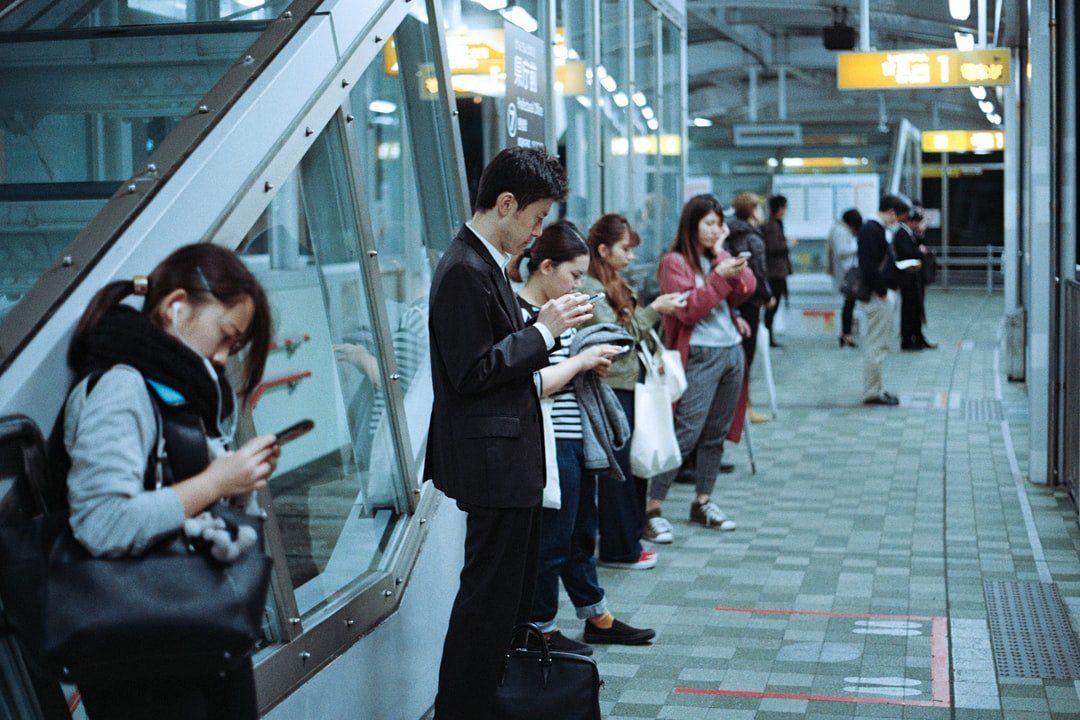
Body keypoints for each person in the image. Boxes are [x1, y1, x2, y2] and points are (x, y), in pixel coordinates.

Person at [63, 243, 277, 720]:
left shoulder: (173, 389)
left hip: (187, 638)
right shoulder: (121, 388)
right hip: (144, 658)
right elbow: (103, 522)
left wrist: (236, 482)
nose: (222, 358)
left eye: (233, 348)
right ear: (176, 306)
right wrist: (217, 482)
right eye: (225, 336)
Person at [426, 147, 592, 720]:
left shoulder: (481, 264)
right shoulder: (464, 269)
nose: (538, 231)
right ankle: (462, 710)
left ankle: (484, 706)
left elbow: (494, 353)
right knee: (485, 608)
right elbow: (471, 371)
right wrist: (542, 331)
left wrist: (543, 327)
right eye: (536, 217)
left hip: (508, 463)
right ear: (505, 204)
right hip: (493, 466)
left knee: (503, 607)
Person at [512, 220, 656, 655]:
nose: (579, 283)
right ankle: (542, 629)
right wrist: (581, 363)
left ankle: (596, 614)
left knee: (580, 534)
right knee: (553, 540)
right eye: (574, 274)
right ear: (546, 266)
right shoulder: (522, 315)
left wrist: (590, 362)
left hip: (575, 437)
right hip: (549, 441)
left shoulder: (560, 311)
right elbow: (530, 383)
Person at [645, 194, 756, 542]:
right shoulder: (674, 262)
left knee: (716, 433)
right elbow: (688, 310)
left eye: (718, 223)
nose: (715, 230)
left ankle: (703, 501)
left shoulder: (716, 257)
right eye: (708, 223)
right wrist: (718, 278)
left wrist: (722, 258)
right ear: (692, 225)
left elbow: (747, 289)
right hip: (700, 355)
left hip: (731, 353)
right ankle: (650, 507)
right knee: (686, 432)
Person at [581, 213, 686, 570]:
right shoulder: (590, 287)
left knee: (633, 465)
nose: (630, 256)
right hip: (612, 386)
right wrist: (655, 310)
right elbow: (615, 336)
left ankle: (627, 541)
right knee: (619, 471)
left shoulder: (611, 282)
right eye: (625, 249)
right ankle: (619, 547)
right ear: (603, 249)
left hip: (629, 382)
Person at [724, 192, 773, 424]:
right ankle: (744, 407)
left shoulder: (731, 233)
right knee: (746, 356)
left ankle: (739, 407)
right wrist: (767, 295)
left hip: (734, 299)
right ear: (753, 210)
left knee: (739, 355)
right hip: (751, 300)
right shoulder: (752, 237)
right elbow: (759, 271)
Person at [858, 193, 910, 406]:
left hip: (879, 293)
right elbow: (869, 266)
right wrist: (882, 291)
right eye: (896, 217)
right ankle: (872, 391)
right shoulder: (872, 230)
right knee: (877, 345)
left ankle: (876, 388)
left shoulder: (874, 229)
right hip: (878, 295)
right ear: (890, 212)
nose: (896, 222)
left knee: (878, 344)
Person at [893, 205, 936, 350]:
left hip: (914, 277)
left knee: (916, 308)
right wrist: (919, 253)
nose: (918, 225)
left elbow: (918, 246)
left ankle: (917, 337)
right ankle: (907, 339)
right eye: (916, 222)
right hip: (907, 277)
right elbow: (906, 252)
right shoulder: (901, 234)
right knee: (909, 309)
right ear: (910, 221)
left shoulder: (910, 233)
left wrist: (920, 238)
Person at [828, 208, 863, 348]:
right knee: (849, 304)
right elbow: (842, 251)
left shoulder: (839, 229)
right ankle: (846, 334)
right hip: (846, 273)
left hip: (846, 272)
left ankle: (846, 334)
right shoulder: (840, 231)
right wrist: (857, 248)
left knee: (849, 304)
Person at [762, 194, 793, 347]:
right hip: (775, 272)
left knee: (774, 305)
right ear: (780, 208)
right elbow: (773, 248)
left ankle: (769, 337)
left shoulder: (775, 224)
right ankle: (768, 338)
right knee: (772, 305)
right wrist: (788, 245)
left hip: (777, 272)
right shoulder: (773, 226)